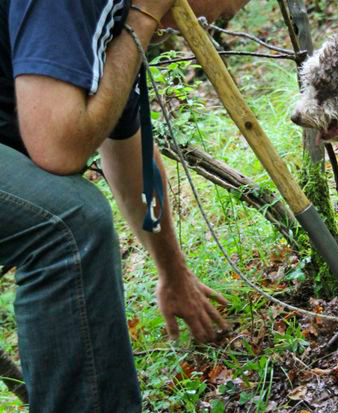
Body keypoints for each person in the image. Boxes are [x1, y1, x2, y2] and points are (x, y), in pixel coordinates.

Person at [0, 1, 241, 411]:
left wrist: (173, 271)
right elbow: (57, 148)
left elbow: (135, 170)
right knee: (70, 222)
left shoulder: (117, 26)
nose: (213, 22)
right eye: (222, 9)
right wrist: (144, 18)